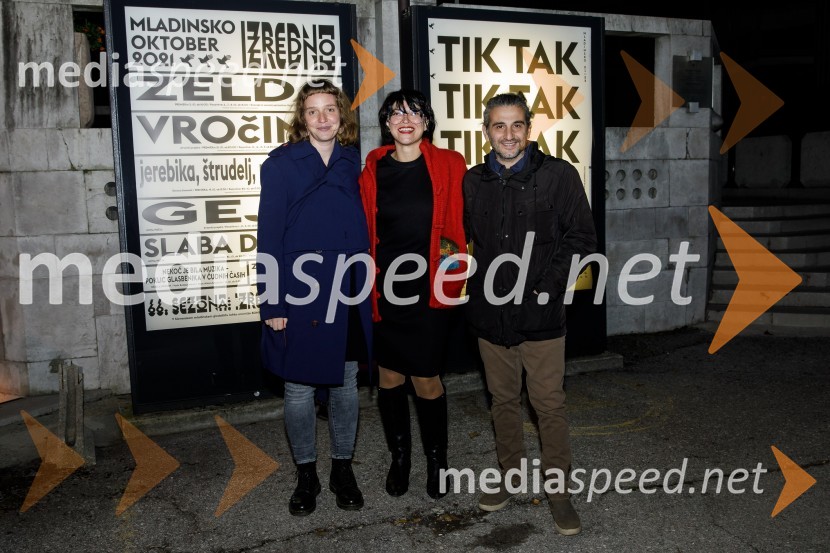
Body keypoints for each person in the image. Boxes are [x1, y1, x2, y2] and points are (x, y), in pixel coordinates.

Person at [462, 93, 597, 535]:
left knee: (548, 405)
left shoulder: (558, 175)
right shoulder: (473, 180)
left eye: (516, 125)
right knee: (502, 401)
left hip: (540, 315)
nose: (508, 134)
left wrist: (544, 289)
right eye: (499, 126)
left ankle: (559, 493)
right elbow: (463, 241)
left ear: (529, 128)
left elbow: (581, 237)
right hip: (490, 315)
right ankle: (509, 477)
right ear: (486, 131)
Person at [257, 79, 372, 516]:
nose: (323, 118)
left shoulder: (352, 162)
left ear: (341, 115)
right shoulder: (281, 164)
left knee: (344, 383)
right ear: (301, 118)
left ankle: (343, 468)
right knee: (299, 388)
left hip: (347, 286)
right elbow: (267, 236)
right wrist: (273, 304)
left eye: (330, 110)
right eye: (313, 111)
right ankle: (307, 475)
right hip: (298, 290)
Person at [358, 90, 468, 499]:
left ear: (427, 122)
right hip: (385, 289)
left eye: (415, 113)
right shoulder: (372, 167)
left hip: (431, 289)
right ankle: (400, 458)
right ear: (386, 123)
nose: (406, 119)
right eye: (397, 113)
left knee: (426, 378)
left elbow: (462, 222)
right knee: (389, 376)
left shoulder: (450, 163)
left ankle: (438, 462)